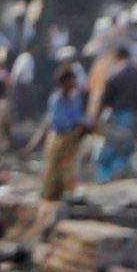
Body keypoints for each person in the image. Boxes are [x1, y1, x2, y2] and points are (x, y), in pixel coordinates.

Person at [40, 61, 90, 201]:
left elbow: (77, 118)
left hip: (72, 139)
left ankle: (66, 198)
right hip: (58, 139)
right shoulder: (56, 100)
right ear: (64, 82)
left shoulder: (75, 99)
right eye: (71, 79)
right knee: (52, 172)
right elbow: (58, 121)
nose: (74, 82)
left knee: (69, 171)